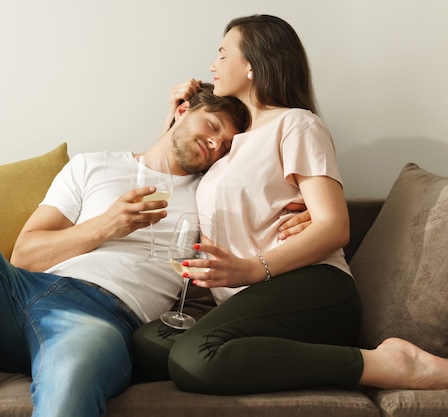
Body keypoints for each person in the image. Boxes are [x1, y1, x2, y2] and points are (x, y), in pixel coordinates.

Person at [0, 82, 311, 417]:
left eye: (226, 144)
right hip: (18, 292)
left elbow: (266, 226)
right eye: (213, 127)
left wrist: (306, 212)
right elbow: (25, 255)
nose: (216, 144)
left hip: (100, 319)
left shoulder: (214, 192)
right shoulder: (92, 165)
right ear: (182, 111)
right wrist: (107, 225)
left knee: (71, 380)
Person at [132, 14, 448, 395]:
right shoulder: (230, 142)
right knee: (146, 345)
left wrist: (250, 268)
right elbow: (168, 167)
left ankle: (388, 362)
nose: (213, 65)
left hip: (311, 287)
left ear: (252, 64)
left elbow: (335, 226)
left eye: (222, 53)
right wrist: (175, 112)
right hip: (247, 304)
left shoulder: (296, 124)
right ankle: (255, 351)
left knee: (193, 358)